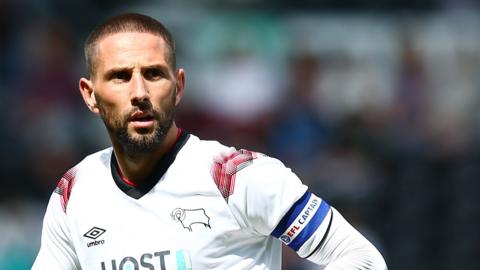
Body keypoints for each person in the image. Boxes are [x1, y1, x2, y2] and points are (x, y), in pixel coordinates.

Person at [32, 13, 387, 270]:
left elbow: (362, 258)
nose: (139, 92)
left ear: (179, 87)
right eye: (120, 77)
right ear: (90, 95)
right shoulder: (74, 193)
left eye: (154, 74)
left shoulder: (236, 177)